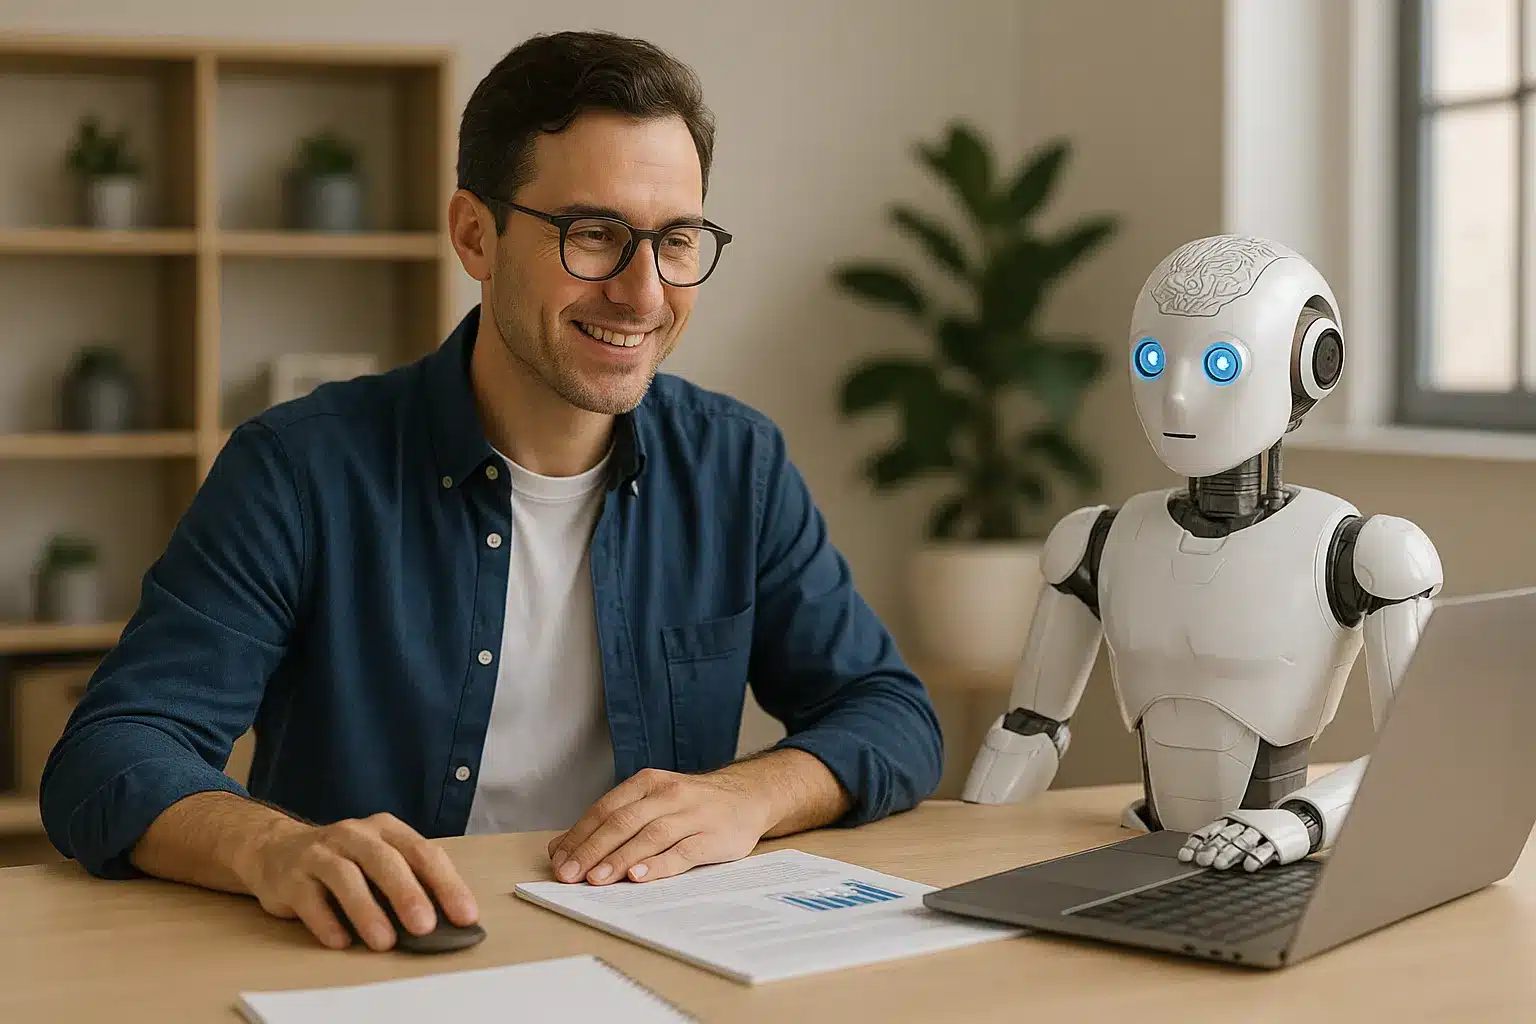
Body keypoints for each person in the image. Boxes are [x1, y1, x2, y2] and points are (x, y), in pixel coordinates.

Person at [38, 29, 943, 953]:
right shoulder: (298, 469)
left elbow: (890, 714)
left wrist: (746, 795)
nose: (644, 293)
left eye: (676, 240)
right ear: (476, 234)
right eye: (594, 235)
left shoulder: (735, 466)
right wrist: (275, 848)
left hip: (654, 957)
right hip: (373, 963)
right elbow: (111, 753)